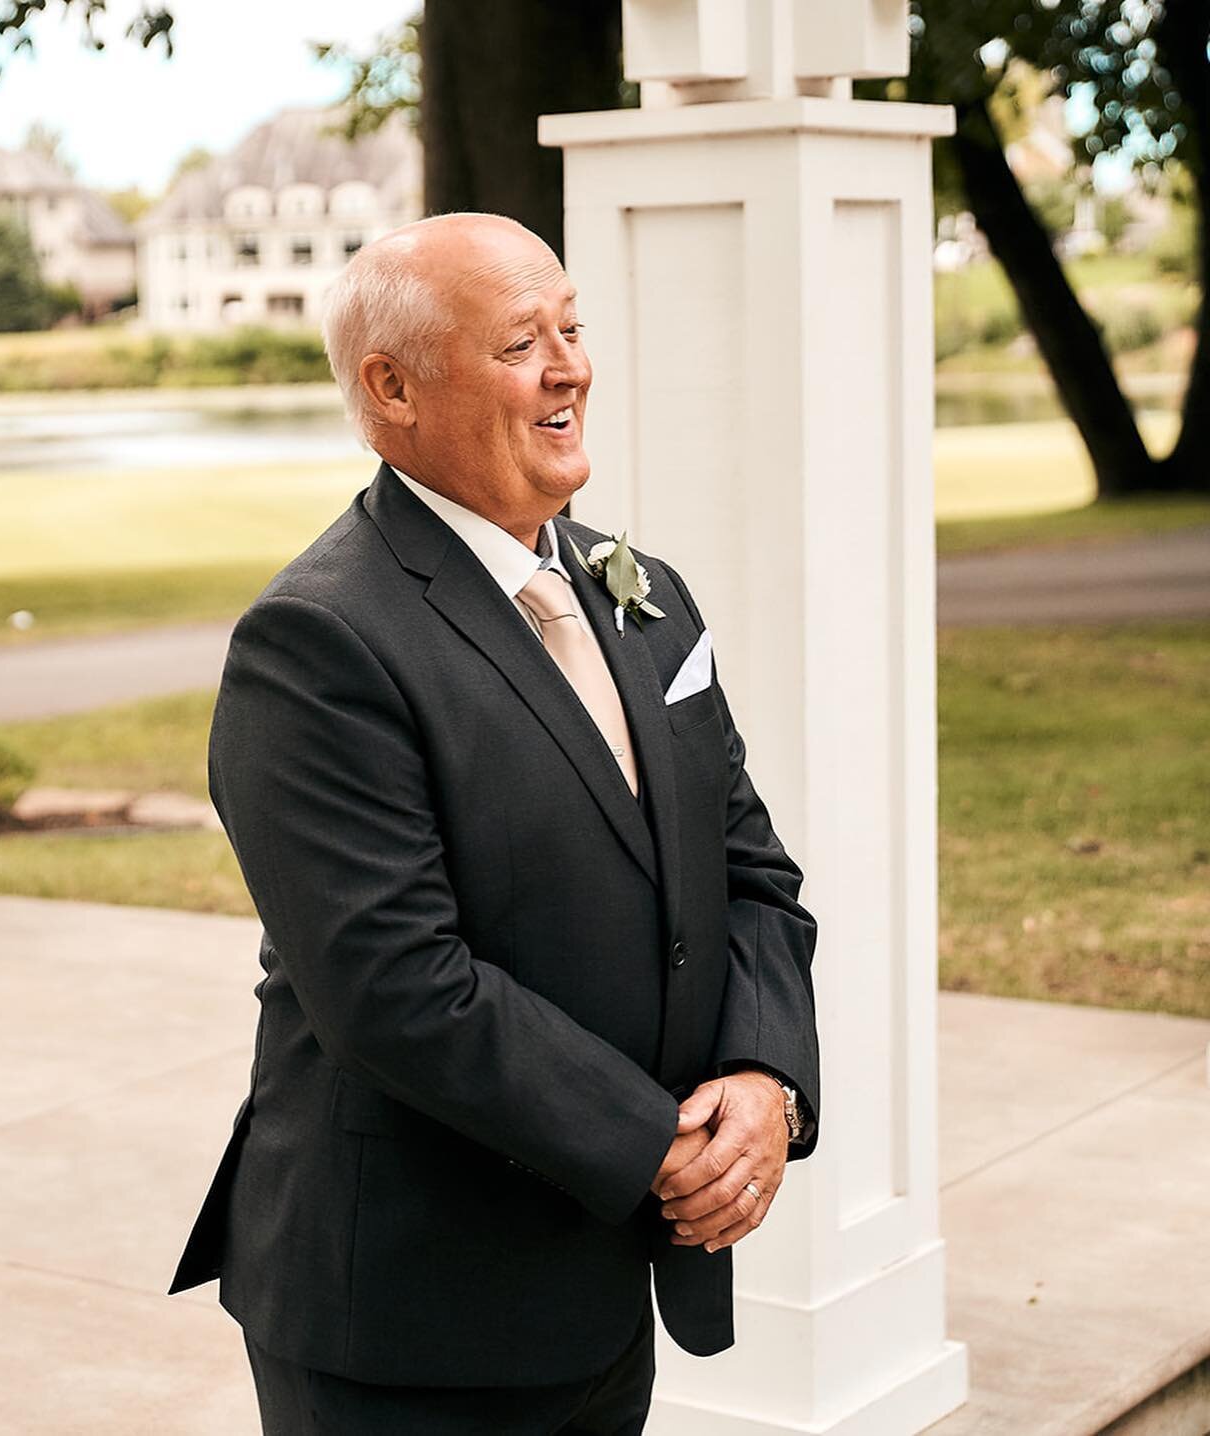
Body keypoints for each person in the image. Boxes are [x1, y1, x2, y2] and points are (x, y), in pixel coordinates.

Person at [168, 212, 819, 1434]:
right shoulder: (317, 643)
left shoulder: (644, 592)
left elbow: (748, 874)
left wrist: (763, 1074)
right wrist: (660, 1148)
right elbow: (395, 984)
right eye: (522, 340)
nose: (569, 365)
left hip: (600, 1279)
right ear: (393, 387)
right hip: (410, 1310)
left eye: (571, 328)